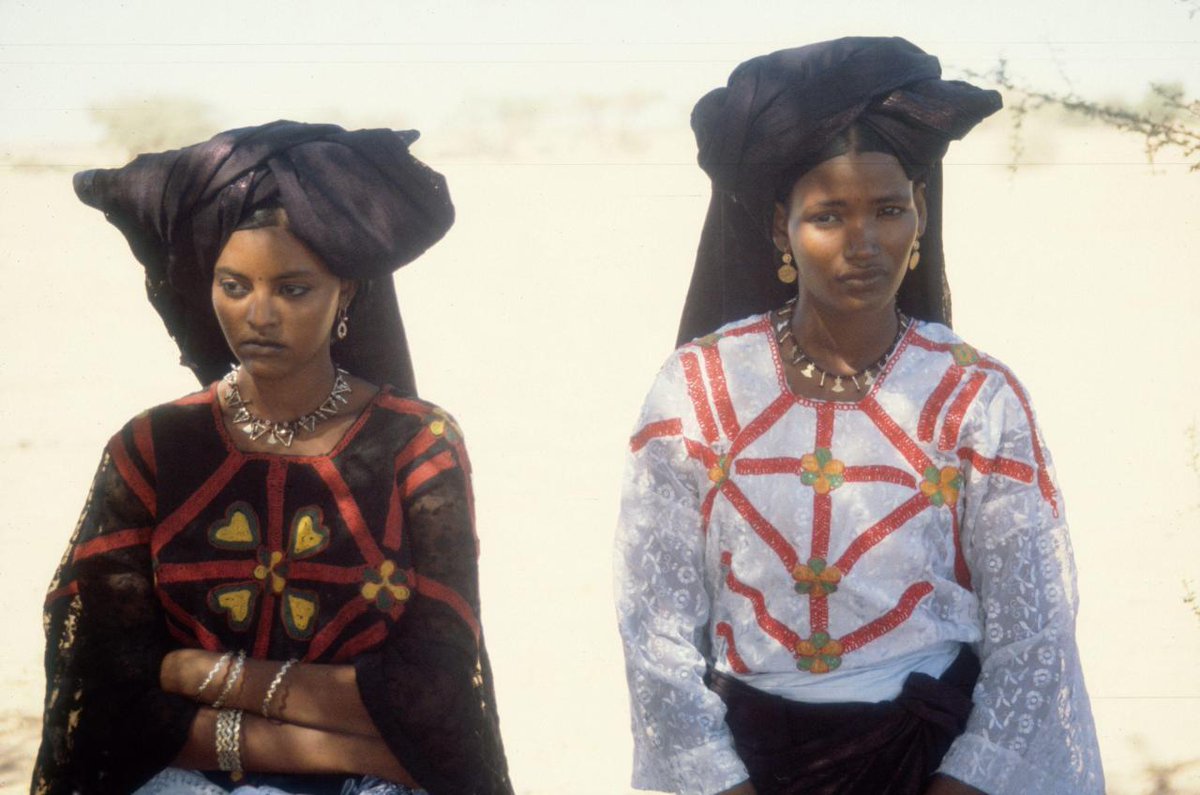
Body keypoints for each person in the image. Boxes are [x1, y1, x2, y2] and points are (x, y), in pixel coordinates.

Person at [614, 38, 1104, 795]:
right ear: (781, 229)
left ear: (921, 214)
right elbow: (656, 638)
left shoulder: (975, 397)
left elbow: (1033, 640)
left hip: (932, 764)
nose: (863, 244)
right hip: (748, 770)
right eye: (828, 215)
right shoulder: (697, 391)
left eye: (887, 210)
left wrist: (962, 782)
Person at [33, 121, 514, 795]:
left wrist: (201, 675)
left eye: (293, 289)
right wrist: (357, 740)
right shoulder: (151, 448)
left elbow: (432, 691)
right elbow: (110, 696)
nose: (259, 314)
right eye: (234, 285)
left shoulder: (417, 446)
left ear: (345, 292)